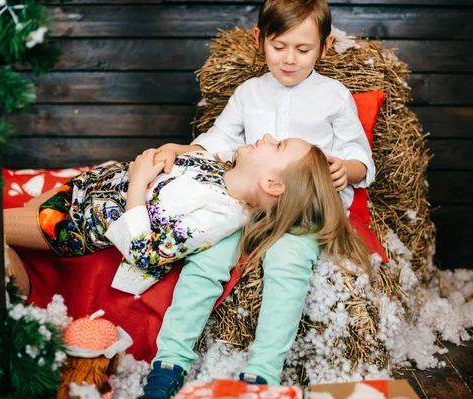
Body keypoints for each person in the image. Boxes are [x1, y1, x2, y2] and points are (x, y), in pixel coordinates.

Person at [142, 0, 376, 396]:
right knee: (207, 260)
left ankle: (262, 373)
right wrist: (184, 150)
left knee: (288, 262)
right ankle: (170, 362)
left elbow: (362, 158)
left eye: (303, 50)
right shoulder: (249, 93)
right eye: (278, 46)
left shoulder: (334, 96)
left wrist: (347, 169)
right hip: (252, 204)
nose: (289, 59)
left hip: (303, 209)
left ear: (325, 46)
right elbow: (220, 139)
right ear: (259, 40)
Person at [4, 135, 314, 297]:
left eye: (279, 145)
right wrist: (170, 149)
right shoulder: (226, 166)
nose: (269, 135)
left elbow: (145, 253)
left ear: (272, 184)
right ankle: (19, 290)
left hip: (80, 221)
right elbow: (190, 152)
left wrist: (139, 181)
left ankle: (17, 306)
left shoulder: (221, 214)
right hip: (90, 185)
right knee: (10, 222)